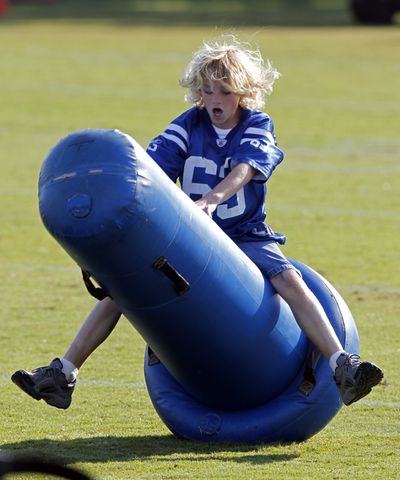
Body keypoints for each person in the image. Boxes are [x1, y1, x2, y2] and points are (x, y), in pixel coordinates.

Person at [12, 34, 383, 410]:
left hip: (243, 234)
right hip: (193, 237)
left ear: (242, 92)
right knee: (121, 289)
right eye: (206, 91)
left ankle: (341, 364)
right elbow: (151, 171)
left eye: (223, 91)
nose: (214, 100)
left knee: (289, 279)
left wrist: (210, 201)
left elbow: (245, 169)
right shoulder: (189, 125)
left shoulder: (258, 124)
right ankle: (64, 372)